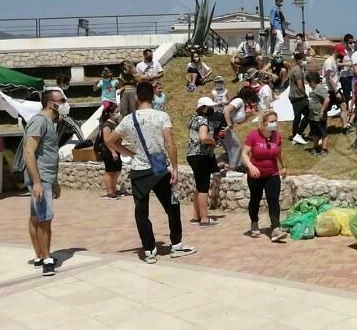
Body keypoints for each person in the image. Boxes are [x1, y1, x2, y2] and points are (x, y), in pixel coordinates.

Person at [105, 82, 196, 264]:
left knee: (141, 212)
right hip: (159, 167)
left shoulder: (128, 119)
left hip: (139, 170)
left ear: (137, 97)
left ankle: (149, 250)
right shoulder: (161, 116)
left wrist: (130, 154)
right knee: (172, 207)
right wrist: (175, 168)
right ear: (153, 96)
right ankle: (176, 245)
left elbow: (110, 140)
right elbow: (170, 143)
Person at [24, 89, 65, 276]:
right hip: (41, 179)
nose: (65, 103)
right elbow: (29, 151)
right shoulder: (39, 121)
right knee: (44, 220)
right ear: (51, 103)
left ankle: (40, 255)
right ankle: (48, 259)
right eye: (62, 100)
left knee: (36, 217)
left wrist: (54, 181)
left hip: (47, 178)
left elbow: (49, 154)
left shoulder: (49, 122)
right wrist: (37, 182)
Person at [241, 111, 288, 242]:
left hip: (272, 173)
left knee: (273, 201)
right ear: (263, 122)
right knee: (255, 199)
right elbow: (244, 154)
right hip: (255, 175)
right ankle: (254, 223)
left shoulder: (277, 136)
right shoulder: (253, 136)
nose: (274, 124)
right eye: (271, 121)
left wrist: (283, 166)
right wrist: (250, 167)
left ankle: (275, 228)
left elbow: (279, 152)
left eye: (275, 121)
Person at [187, 97, 219, 227]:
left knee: (199, 186)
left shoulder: (193, 119)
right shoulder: (203, 120)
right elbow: (203, 137)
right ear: (202, 108)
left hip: (192, 155)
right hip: (201, 156)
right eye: (208, 107)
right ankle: (204, 218)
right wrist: (213, 141)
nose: (211, 109)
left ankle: (196, 216)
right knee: (204, 187)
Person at [222, 86, 260, 172]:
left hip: (226, 127)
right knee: (237, 146)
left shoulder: (242, 104)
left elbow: (238, 121)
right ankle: (232, 169)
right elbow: (226, 111)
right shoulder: (238, 101)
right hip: (224, 126)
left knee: (231, 147)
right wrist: (229, 125)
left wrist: (249, 115)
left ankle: (229, 165)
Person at [96, 101, 122, 199]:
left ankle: (114, 190)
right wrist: (113, 152)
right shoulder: (107, 125)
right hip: (108, 151)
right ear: (110, 114)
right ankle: (109, 191)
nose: (118, 114)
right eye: (116, 112)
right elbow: (106, 140)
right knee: (110, 171)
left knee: (116, 170)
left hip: (117, 149)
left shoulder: (115, 123)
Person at [322, 43, 352, 131]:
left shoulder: (334, 61)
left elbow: (338, 66)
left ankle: (345, 127)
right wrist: (336, 91)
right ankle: (320, 129)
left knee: (343, 105)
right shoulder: (329, 62)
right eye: (340, 52)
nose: (342, 54)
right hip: (328, 89)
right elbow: (329, 78)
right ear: (336, 51)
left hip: (335, 88)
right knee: (325, 110)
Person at [288, 52, 310, 146]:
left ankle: (295, 135)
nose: (304, 61)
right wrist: (305, 95)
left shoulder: (294, 68)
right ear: (297, 60)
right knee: (309, 115)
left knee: (297, 116)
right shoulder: (297, 70)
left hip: (294, 96)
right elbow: (300, 86)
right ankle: (298, 134)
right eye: (302, 59)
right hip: (299, 96)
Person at [306, 72, 330, 156]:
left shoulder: (320, 88)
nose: (308, 84)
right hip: (313, 117)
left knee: (323, 133)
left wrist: (322, 110)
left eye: (309, 82)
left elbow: (327, 99)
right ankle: (315, 147)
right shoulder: (315, 88)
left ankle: (324, 149)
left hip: (319, 116)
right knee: (315, 133)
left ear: (312, 81)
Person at [339, 35, 357, 119]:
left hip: (353, 75)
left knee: (355, 94)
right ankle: (345, 111)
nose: (352, 44)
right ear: (345, 43)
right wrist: (346, 64)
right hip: (344, 76)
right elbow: (337, 63)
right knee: (346, 95)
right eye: (350, 42)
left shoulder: (354, 51)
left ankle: (354, 112)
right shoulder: (342, 52)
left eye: (353, 42)